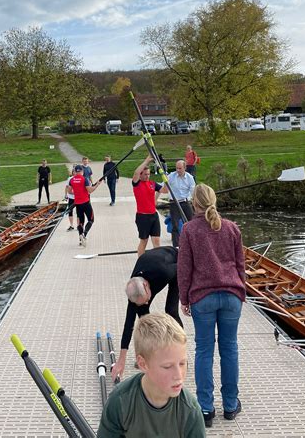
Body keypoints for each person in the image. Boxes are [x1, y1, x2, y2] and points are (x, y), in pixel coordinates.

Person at [178, 183, 245, 428]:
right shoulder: (231, 228)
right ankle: (230, 405)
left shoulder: (189, 230)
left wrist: (184, 298)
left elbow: (184, 268)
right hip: (231, 296)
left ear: (194, 203)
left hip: (202, 297)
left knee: (204, 351)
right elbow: (240, 265)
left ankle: (205, 409)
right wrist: (241, 291)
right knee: (230, 349)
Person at [98, 313, 205, 438]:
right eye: (167, 366)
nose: (178, 375)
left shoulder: (190, 412)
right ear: (143, 364)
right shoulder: (120, 401)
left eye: (182, 363)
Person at [111, 246, 182, 382]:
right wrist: (121, 360)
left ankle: (179, 353)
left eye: (146, 300)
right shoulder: (134, 288)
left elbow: (184, 265)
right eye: (142, 302)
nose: (146, 303)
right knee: (144, 319)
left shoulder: (164, 272)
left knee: (171, 311)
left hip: (175, 263)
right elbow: (128, 324)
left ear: (146, 286)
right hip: (151, 267)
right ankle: (151, 356)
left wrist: (188, 295)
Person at [132, 156, 167, 257]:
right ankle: (141, 262)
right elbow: (136, 173)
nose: (147, 176)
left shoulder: (152, 183)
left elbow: (165, 190)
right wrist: (147, 160)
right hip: (142, 217)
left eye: (148, 174)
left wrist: (165, 178)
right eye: (145, 174)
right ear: (141, 175)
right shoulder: (136, 184)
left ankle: (158, 263)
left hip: (153, 216)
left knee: (157, 241)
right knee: (144, 241)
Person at [66, 164, 101, 247]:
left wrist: (77, 192)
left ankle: (80, 238)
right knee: (91, 220)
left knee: (80, 222)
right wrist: (97, 185)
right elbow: (90, 190)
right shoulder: (85, 179)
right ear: (82, 171)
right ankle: (84, 234)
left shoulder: (72, 180)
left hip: (78, 204)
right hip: (86, 203)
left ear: (75, 171)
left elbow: (69, 191)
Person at [167, 160, 195, 248]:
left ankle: (192, 244)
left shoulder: (190, 177)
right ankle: (176, 247)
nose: (178, 170)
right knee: (175, 225)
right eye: (176, 168)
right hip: (174, 203)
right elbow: (163, 187)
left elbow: (193, 191)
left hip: (185, 202)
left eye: (180, 168)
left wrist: (194, 203)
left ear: (185, 168)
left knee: (191, 223)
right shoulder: (171, 176)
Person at [65, 166, 76, 231]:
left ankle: (79, 225)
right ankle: (71, 225)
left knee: (79, 212)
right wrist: (66, 195)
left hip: (78, 198)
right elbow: (66, 187)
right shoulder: (69, 179)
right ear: (72, 172)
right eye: (73, 171)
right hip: (71, 198)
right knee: (70, 211)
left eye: (75, 171)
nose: (74, 173)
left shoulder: (80, 178)